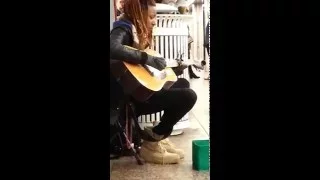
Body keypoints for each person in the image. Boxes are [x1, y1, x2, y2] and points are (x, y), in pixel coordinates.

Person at [110, 0, 197, 164]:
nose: (154, 21)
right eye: (151, 17)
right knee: (188, 96)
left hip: (140, 89)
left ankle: (157, 136)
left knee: (183, 83)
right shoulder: (123, 27)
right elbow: (112, 47)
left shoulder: (137, 31)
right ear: (138, 15)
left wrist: (168, 72)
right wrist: (146, 58)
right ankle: (152, 142)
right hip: (131, 98)